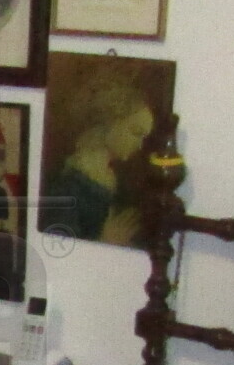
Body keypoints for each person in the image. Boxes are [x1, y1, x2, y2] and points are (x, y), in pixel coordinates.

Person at [45, 76, 157, 245]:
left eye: (143, 137)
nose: (140, 145)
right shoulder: (68, 183)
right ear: (110, 122)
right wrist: (105, 241)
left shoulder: (114, 181)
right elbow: (56, 246)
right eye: (136, 132)